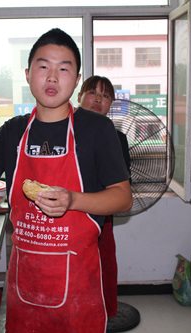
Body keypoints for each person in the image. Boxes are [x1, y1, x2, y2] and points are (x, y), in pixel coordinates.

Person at [0, 28, 132, 332]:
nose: (52, 77)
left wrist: (73, 200)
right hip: (26, 284)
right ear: (27, 74)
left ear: (76, 79)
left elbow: (123, 197)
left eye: (64, 68)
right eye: (43, 66)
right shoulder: (14, 131)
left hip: (79, 288)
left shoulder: (97, 129)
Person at [77, 75, 131, 319]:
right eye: (92, 93)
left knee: (103, 271)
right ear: (79, 97)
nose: (98, 99)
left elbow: (122, 188)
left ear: (111, 105)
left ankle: (104, 318)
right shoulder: (62, 131)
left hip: (101, 221)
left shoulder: (117, 138)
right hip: (63, 221)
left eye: (106, 95)